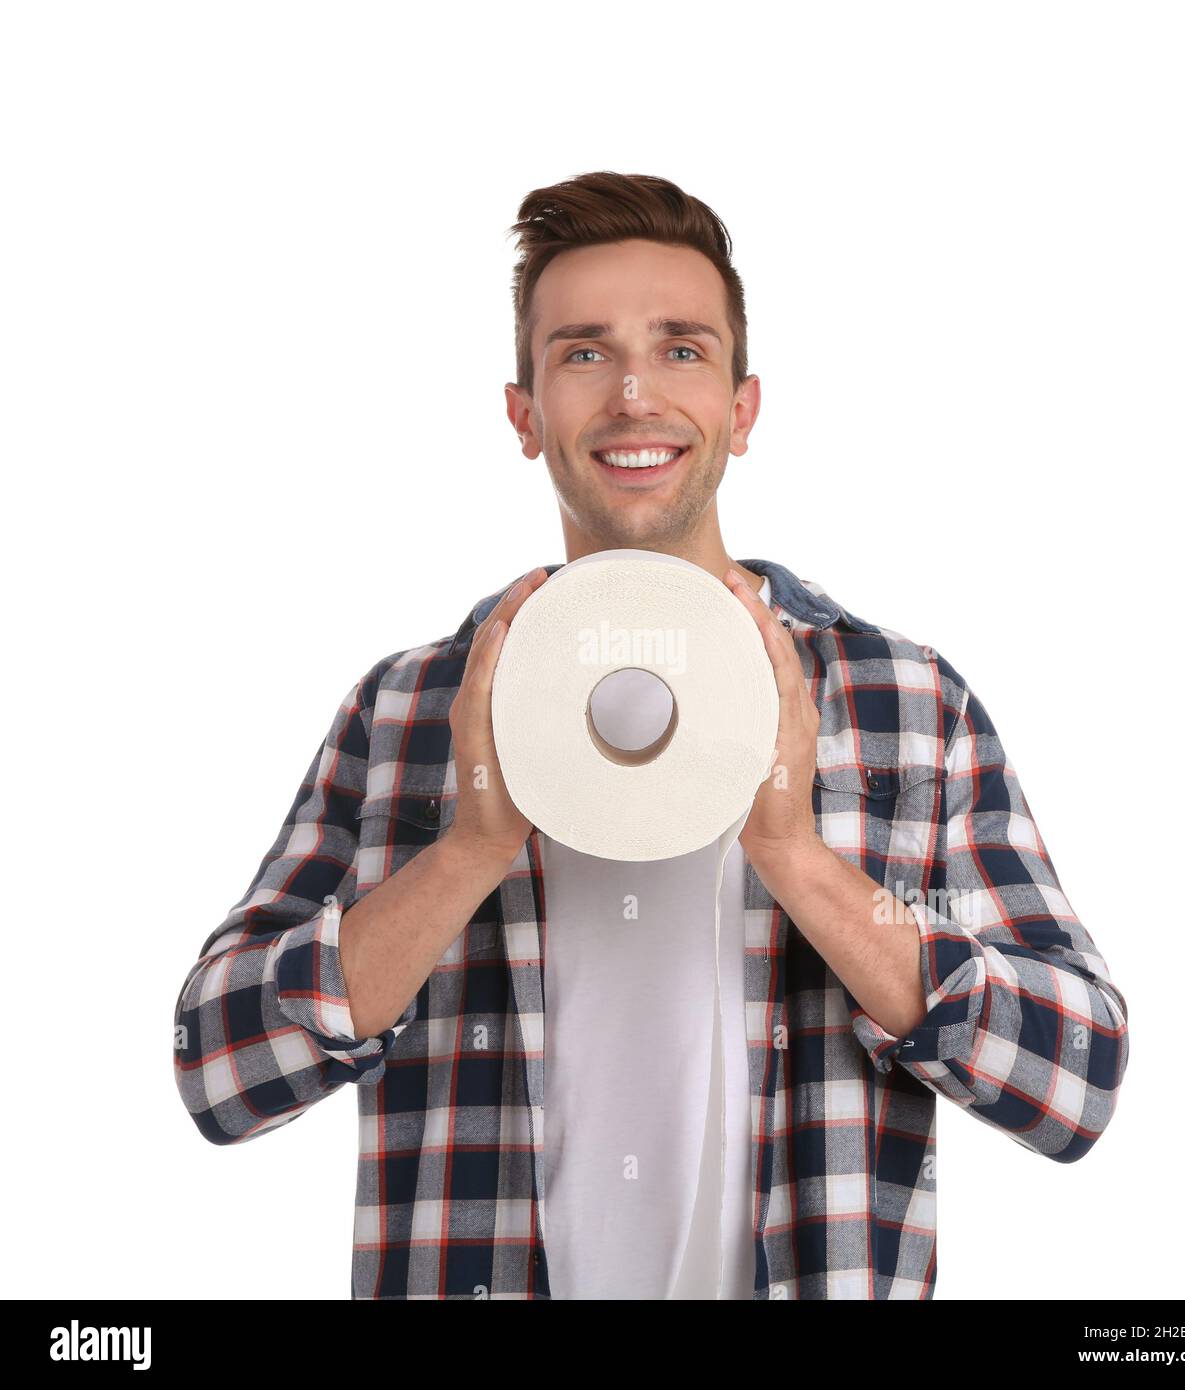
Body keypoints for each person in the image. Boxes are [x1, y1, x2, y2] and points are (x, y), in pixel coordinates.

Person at [172, 170, 1130, 1300]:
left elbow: (1078, 1081)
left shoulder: (904, 702)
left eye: (682, 349)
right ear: (525, 415)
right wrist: (467, 850)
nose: (634, 394)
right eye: (584, 353)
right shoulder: (407, 708)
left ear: (743, 405)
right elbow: (219, 1072)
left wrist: (798, 858)